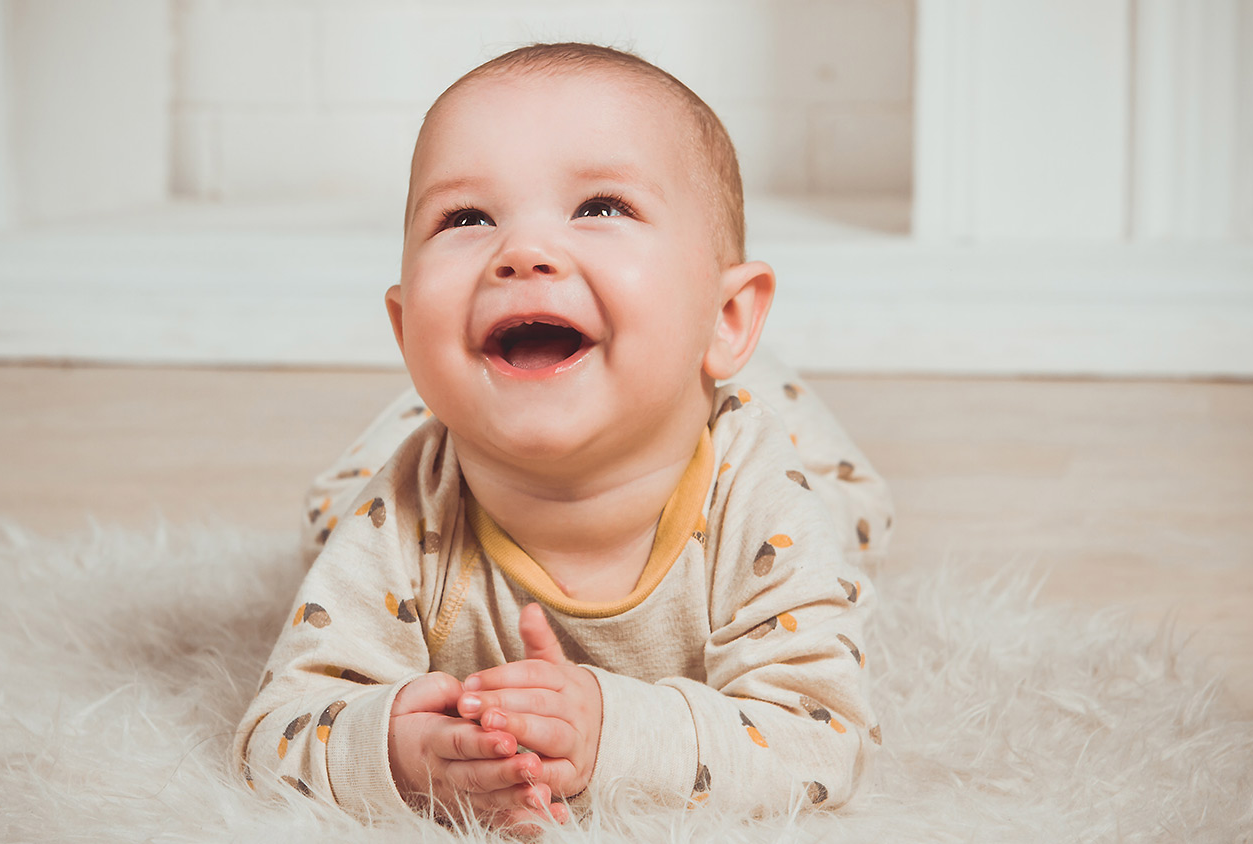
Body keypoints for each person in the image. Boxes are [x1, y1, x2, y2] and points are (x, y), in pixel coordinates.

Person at [233, 42, 893, 831]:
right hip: (449, 413)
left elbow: (821, 741)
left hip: (756, 425)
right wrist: (398, 752)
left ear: (727, 316)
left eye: (601, 208)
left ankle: (739, 364)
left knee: (852, 519)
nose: (523, 252)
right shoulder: (405, 512)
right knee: (332, 514)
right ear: (407, 331)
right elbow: (277, 732)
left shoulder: (761, 497)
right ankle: (456, 388)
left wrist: (613, 729)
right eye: (466, 218)